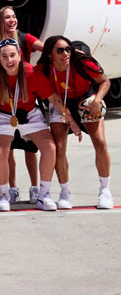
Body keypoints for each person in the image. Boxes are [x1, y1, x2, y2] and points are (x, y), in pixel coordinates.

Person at [0, 38, 74, 211]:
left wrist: (73, 123)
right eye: (4, 57)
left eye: (12, 55)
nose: (9, 60)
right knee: (1, 151)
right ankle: (4, 195)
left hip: (30, 115)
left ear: (19, 55)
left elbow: (54, 99)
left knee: (50, 148)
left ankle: (44, 194)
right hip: (3, 116)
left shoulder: (31, 73)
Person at [0, 6, 44, 205]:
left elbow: (46, 49)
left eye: (14, 16)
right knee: (6, 150)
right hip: (3, 101)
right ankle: (12, 188)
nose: (12, 20)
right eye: (8, 17)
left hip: (24, 99)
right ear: (0, 20)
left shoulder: (25, 38)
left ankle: (35, 187)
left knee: (30, 150)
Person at [39, 36, 113, 209]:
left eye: (68, 49)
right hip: (60, 103)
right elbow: (54, 99)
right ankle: (65, 192)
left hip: (86, 99)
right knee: (58, 146)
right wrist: (71, 121)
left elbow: (105, 81)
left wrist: (97, 100)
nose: (65, 53)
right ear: (50, 54)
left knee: (100, 142)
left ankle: (105, 191)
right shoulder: (44, 69)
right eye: (60, 50)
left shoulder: (83, 62)